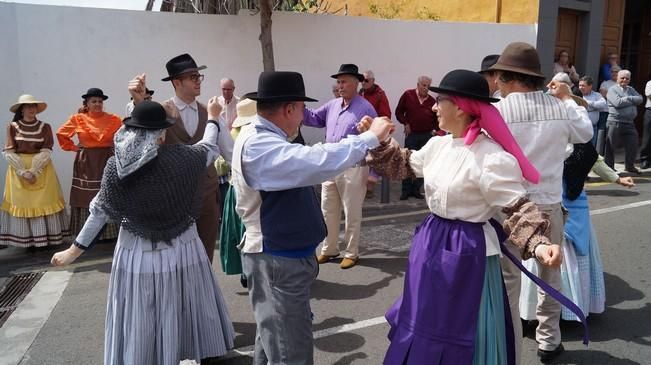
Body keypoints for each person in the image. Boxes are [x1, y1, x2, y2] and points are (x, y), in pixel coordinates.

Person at [363, 69, 567, 365]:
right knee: (424, 316)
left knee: (459, 326)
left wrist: (539, 244)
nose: (433, 107)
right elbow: (403, 165)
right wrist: (377, 141)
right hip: (430, 243)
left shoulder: (491, 157)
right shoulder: (438, 145)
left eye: (439, 101)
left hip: (466, 251)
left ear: (461, 106)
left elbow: (516, 206)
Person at [51, 100, 235, 365]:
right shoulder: (184, 158)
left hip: (139, 255)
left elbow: (99, 213)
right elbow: (208, 146)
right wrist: (214, 118)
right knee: (185, 306)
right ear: (160, 135)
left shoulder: (116, 167)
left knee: (142, 313)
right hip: (183, 249)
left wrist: (74, 250)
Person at [231, 71, 393, 365]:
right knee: (290, 351)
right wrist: (368, 139)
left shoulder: (266, 137)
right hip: (276, 259)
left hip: (282, 259)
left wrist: (365, 155)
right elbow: (312, 161)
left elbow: (311, 158)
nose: (304, 116)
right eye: (301, 109)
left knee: (274, 342)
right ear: (289, 109)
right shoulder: (258, 144)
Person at [489, 41, 593, 363]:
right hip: (548, 202)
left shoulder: (498, 111)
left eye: (499, 78)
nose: (496, 84)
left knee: (509, 280)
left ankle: (509, 344)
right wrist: (567, 98)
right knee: (550, 277)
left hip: (510, 207)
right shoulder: (560, 108)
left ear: (510, 78)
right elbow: (586, 134)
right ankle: (549, 341)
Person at [129, 53, 234, 263]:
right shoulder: (161, 111)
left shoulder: (211, 112)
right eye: (192, 77)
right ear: (177, 82)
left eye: (199, 76)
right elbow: (141, 138)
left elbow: (230, 152)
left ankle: (200, 295)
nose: (198, 81)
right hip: (172, 199)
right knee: (173, 259)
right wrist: (138, 101)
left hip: (206, 197)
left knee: (204, 258)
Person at [521, 140, 634, 325]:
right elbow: (594, 159)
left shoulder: (544, 135)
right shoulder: (575, 137)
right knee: (554, 254)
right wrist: (616, 178)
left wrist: (616, 178)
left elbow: (594, 160)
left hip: (553, 204)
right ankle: (557, 311)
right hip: (560, 205)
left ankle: (541, 311)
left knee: (545, 255)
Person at [302, 63, 378, 269]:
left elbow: (376, 139)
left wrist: (373, 173)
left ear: (356, 84)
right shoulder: (333, 105)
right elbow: (314, 118)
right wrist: (297, 104)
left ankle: (352, 252)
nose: (340, 85)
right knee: (328, 210)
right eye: (338, 81)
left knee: (352, 211)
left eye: (344, 81)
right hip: (330, 167)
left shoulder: (366, 108)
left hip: (354, 167)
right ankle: (329, 248)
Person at [1, 95, 70, 247]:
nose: (31, 109)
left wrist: (34, 170)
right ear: (22, 109)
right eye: (27, 106)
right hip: (19, 168)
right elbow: (9, 151)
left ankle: (48, 239)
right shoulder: (12, 127)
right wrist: (23, 172)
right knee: (23, 203)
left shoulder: (45, 127)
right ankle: (29, 242)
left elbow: (46, 150)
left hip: (42, 168)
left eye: (33, 106)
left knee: (45, 201)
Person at [57, 88, 122, 241]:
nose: (98, 104)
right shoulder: (77, 118)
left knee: (109, 192)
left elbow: (124, 134)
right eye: (94, 101)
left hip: (107, 158)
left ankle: (110, 232)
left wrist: (117, 149)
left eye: (100, 101)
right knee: (86, 194)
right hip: (86, 161)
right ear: (86, 103)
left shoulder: (114, 119)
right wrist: (73, 147)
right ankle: (88, 233)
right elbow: (61, 134)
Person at [219, 96, 257, 288]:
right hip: (251, 190)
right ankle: (251, 270)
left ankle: (245, 270)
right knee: (251, 230)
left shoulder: (233, 133)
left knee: (238, 231)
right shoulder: (253, 135)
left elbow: (220, 163)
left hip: (234, 188)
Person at [394, 75, 439, 200]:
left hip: (426, 136)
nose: (426, 88)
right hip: (412, 135)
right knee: (407, 162)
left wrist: (435, 131)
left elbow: (437, 119)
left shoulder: (431, 101)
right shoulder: (408, 95)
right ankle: (406, 190)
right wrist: (405, 123)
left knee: (422, 163)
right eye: (424, 85)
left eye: (428, 86)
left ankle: (416, 189)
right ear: (418, 85)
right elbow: (398, 112)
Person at [359, 69, 391, 199]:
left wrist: (378, 128)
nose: (363, 83)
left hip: (374, 130)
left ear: (372, 81)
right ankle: (362, 185)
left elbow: (385, 114)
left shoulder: (379, 94)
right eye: (362, 80)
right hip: (362, 130)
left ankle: (370, 186)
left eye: (366, 80)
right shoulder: (360, 93)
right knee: (362, 158)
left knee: (375, 158)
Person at [605, 69, 644, 174]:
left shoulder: (630, 89)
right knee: (611, 146)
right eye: (622, 78)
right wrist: (632, 100)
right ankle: (609, 167)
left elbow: (640, 99)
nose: (624, 80)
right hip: (615, 121)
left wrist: (627, 98)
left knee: (633, 144)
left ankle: (630, 166)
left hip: (629, 123)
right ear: (617, 78)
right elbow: (617, 103)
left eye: (627, 78)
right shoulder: (612, 90)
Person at [579, 76, 608, 145]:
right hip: (579, 128)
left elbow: (603, 104)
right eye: (580, 85)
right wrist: (595, 107)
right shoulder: (577, 94)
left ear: (590, 86)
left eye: (583, 86)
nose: (580, 87)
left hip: (592, 128)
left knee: (591, 148)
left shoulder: (596, 95)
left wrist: (588, 103)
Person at [639, 74, 651, 169]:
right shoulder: (650, 83)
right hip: (650, 111)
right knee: (647, 138)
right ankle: (645, 160)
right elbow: (649, 95)